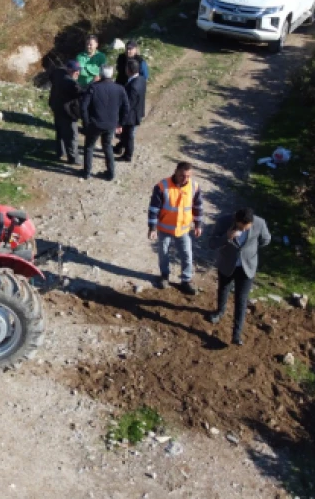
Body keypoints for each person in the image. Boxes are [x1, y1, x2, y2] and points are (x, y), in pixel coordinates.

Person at [207, 208, 271, 345]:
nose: (245, 229)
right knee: (223, 290)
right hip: (227, 264)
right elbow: (212, 243)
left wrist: (251, 250)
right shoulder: (223, 222)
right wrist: (226, 237)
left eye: (248, 227)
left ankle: (236, 335)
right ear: (236, 221)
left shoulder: (259, 223)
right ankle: (219, 312)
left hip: (247, 267)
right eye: (242, 227)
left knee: (241, 300)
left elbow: (266, 239)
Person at [148, 162, 205, 294]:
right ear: (175, 171)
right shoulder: (162, 186)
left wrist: (198, 225)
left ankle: (186, 280)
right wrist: (152, 228)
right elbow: (154, 209)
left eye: (187, 176)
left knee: (187, 255)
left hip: (184, 229)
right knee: (163, 253)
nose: (184, 179)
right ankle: (164, 276)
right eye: (181, 176)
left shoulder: (194, 187)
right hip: (164, 228)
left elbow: (198, 207)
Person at [80, 64, 130, 180]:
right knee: (107, 147)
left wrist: (86, 122)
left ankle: (87, 172)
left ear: (101, 74)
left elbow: (83, 106)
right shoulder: (120, 88)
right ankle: (111, 173)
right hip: (111, 124)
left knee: (89, 147)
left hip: (95, 123)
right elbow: (126, 108)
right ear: (112, 74)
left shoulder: (93, 87)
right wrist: (120, 123)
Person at [48, 60, 82, 164]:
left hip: (56, 107)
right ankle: (73, 158)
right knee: (72, 136)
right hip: (68, 112)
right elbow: (81, 92)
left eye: (78, 71)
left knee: (60, 132)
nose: (77, 73)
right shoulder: (70, 83)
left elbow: (51, 76)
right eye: (75, 71)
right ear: (69, 70)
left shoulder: (58, 73)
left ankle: (60, 152)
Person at [115, 58, 147, 162]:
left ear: (129, 70)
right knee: (126, 135)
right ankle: (119, 148)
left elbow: (129, 104)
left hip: (131, 116)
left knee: (128, 136)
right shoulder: (141, 79)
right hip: (137, 111)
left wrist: (121, 119)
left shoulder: (133, 86)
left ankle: (127, 156)